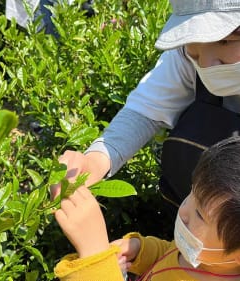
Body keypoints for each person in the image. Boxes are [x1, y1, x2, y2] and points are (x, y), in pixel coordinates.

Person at [53, 0, 240, 209]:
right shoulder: (184, 58)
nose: (206, 63)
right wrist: (95, 161)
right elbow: (144, 111)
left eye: (224, 41)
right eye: (194, 49)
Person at [54, 136, 240, 281]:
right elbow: (170, 253)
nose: (183, 210)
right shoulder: (202, 256)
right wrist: (141, 251)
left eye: (199, 214)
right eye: (191, 192)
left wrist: (94, 254)